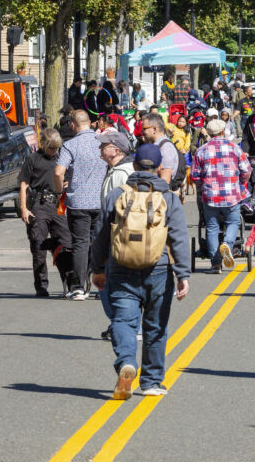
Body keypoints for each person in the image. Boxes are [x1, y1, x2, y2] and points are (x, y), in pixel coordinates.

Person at [92, 143, 191, 399]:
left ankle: (127, 361)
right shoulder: (168, 198)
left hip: (121, 267)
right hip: (157, 270)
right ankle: (152, 381)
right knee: (156, 325)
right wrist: (183, 275)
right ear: (159, 168)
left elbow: (101, 235)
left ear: (134, 166)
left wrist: (98, 268)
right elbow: (179, 237)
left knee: (123, 321)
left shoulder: (116, 195)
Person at [55, 110, 108, 300]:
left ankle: (78, 287)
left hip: (78, 202)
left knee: (80, 244)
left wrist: (61, 189)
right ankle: (103, 286)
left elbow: (59, 172)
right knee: (101, 244)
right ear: (91, 122)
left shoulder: (70, 145)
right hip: (100, 199)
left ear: (72, 125)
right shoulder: (103, 142)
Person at [20, 128, 75, 297]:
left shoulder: (61, 158)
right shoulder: (32, 159)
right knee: (39, 246)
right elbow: (24, 185)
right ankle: (41, 286)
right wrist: (24, 208)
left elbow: (69, 177)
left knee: (66, 244)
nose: (54, 151)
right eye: (51, 148)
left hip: (57, 205)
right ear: (43, 144)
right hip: (39, 204)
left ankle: (70, 284)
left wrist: (67, 183)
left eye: (56, 148)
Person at [191, 119, 251, 274]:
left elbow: (195, 176)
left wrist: (202, 186)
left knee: (211, 227)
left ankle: (216, 264)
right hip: (231, 194)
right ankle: (227, 244)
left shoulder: (202, 150)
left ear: (209, 133)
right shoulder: (234, 148)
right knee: (233, 222)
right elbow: (246, 170)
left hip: (210, 195)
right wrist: (241, 181)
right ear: (223, 131)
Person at [95, 130, 136, 340]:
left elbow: (115, 209)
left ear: (117, 150)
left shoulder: (121, 174)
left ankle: (125, 325)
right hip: (122, 236)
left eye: (104, 146)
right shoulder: (119, 170)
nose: (100, 149)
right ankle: (122, 324)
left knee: (109, 284)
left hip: (116, 236)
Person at [141, 112, 183, 191]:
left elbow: (164, 182)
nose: (142, 132)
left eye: (144, 128)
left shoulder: (165, 148)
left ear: (154, 129)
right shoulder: (157, 145)